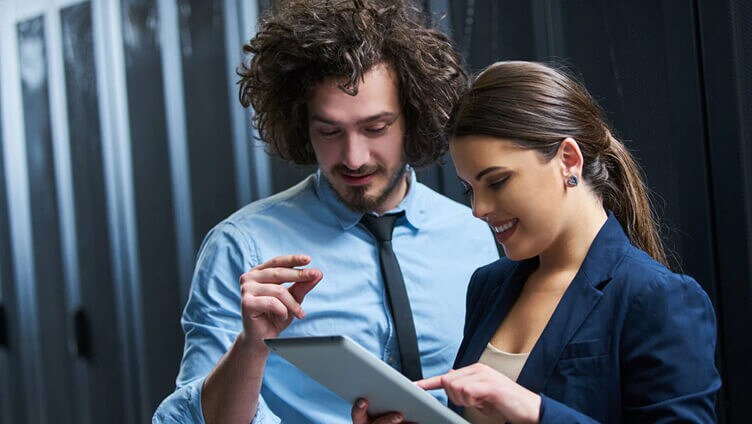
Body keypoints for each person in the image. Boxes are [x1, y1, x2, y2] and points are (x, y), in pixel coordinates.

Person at [152, 1, 499, 423]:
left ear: (412, 116)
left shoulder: (475, 233)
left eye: (375, 128)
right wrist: (251, 345)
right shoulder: (242, 247)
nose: (353, 158)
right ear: (302, 124)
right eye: (329, 131)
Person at [353, 61, 721, 423]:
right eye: (470, 190)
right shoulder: (489, 285)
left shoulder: (656, 297)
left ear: (568, 160)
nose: (479, 209)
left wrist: (535, 411)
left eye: (496, 181)